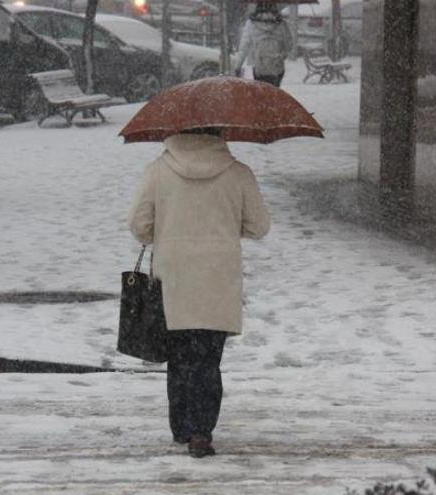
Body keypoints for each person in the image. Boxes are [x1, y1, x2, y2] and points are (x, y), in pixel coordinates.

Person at [127, 128, 271, 458]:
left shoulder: (158, 171)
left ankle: (181, 427)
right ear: (220, 133)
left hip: (174, 276)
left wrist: (163, 229)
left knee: (179, 357)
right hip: (218, 278)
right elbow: (259, 226)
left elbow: (138, 224)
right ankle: (202, 431)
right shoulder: (238, 173)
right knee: (208, 358)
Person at [233, 2, 294, 87]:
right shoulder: (282, 24)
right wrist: (281, 54)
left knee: (262, 95)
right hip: (277, 68)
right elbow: (289, 46)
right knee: (275, 95)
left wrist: (237, 67)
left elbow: (243, 48)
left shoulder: (251, 24)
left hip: (259, 68)